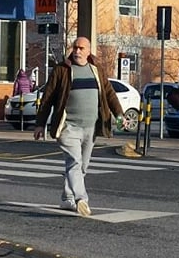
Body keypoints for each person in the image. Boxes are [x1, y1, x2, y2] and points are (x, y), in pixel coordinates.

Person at [33, 36, 123, 217]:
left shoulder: (96, 69)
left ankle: (67, 198)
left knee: (82, 167)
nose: (77, 51)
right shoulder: (62, 70)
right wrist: (40, 124)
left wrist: (119, 114)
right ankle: (81, 199)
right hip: (68, 127)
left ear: (89, 51)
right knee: (74, 163)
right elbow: (48, 97)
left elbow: (109, 93)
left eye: (81, 48)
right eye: (75, 48)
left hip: (91, 127)